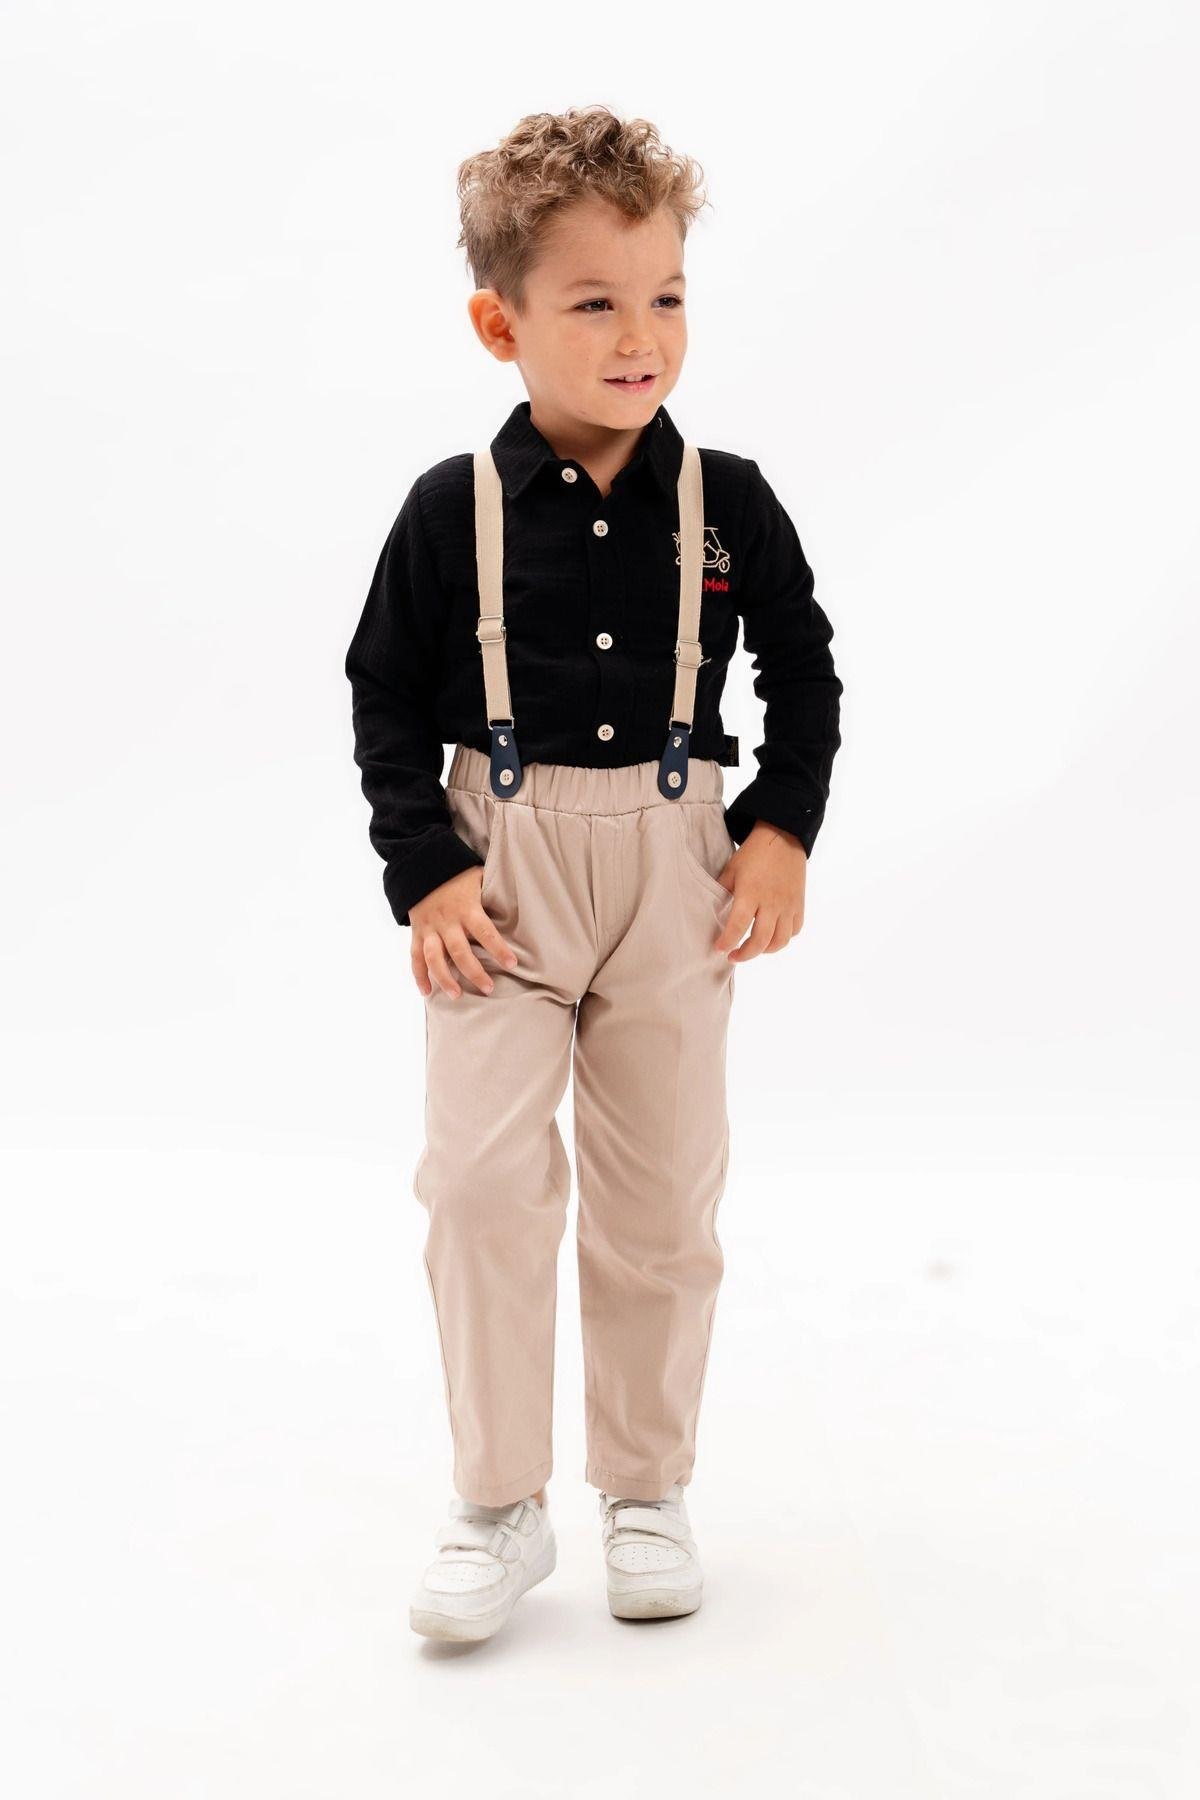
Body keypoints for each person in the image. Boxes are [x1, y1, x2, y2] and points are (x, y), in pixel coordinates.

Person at [345, 106, 843, 1643]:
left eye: (667, 296)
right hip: (501, 878)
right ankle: (499, 1504)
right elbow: (381, 692)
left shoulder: (728, 502)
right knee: (481, 1182)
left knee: (662, 1197)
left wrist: (781, 827)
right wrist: (427, 869)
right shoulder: (452, 508)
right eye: (596, 302)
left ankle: (645, 1484)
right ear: (500, 325)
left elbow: (805, 669)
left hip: (677, 872)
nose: (642, 337)